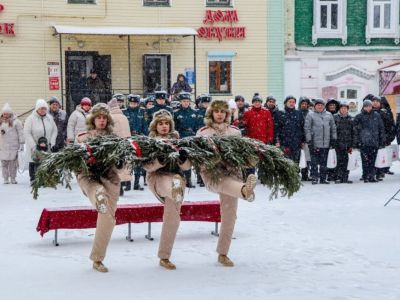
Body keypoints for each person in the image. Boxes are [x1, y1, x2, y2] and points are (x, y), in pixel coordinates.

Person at [196, 100, 257, 267]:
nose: (220, 114)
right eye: (216, 111)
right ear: (211, 114)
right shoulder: (203, 133)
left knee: (230, 216)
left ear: (227, 114)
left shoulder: (235, 133)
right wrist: (215, 159)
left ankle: (223, 253)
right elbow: (200, 158)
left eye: (223, 111)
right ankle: (245, 191)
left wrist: (252, 158)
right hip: (212, 174)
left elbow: (242, 157)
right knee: (226, 184)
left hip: (233, 174)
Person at [76, 103, 120, 273]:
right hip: (90, 178)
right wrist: (88, 163)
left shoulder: (114, 139)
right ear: (92, 119)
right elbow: (76, 163)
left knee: (108, 219)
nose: (101, 121)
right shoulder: (83, 137)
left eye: (104, 118)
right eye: (98, 118)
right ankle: (99, 196)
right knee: (99, 194)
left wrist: (119, 163)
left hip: (110, 180)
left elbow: (120, 167)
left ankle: (97, 259)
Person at [144, 110, 191, 270]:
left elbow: (187, 166)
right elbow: (147, 166)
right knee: (169, 183)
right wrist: (160, 160)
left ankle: (164, 257)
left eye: (166, 123)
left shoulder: (177, 141)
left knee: (173, 219)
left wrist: (184, 159)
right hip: (157, 177)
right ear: (155, 126)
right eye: (160, 123)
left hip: (177, 177)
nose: (164, 126)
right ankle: (174, 188)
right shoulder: (150, 142)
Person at [304, 98, 337, 185]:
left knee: (324, 162)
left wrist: (333, 139)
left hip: (326, 143)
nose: (320, 106)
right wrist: (309, 140)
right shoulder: (310, 115)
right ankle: (315, 177)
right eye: (318, 105)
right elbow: (307, 129)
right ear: (315, 106)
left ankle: (323, 178)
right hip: (314, 143)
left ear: (324, 106)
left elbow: (333, 128)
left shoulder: (329, 115)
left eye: (321, 105)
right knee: (314, 162)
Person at [24, 99, 57, 182]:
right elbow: (27, 133)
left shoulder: (49, 118)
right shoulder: (30, 119)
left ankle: (44, 178)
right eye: (41, 108)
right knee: (34, 161)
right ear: (37, 109)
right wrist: (34, 145)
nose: (43, 110)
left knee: (45, 161)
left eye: (44, 108)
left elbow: (54, 131)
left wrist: (52, 143)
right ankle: (34, 179)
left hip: (47, 146)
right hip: (34, 146)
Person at [353, 100, 385, 183]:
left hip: (374, 142)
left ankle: (372, 176)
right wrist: (357, 142)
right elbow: (355, 131)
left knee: (373, 160)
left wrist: (382, 140)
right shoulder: (359, 117)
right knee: (365, 160)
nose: (368, 108)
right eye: (366, 106)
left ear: (372, 107)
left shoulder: (377, 115)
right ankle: (365, 175)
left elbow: (381, 128)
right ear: (363, 107)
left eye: (369, 106)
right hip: (363, 142)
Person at [108, 99, 132, 196]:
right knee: (125, 164)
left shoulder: (111, 118)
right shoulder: (124, 117)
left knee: (117, 166)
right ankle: (127, 182)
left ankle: (120, 188)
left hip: (116, 144)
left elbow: (111, 133)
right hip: (125, 142)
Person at [173, 92, 198, 188]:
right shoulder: (176, 113)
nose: (186, 103)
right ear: (180, 102)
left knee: (189, 160)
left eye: (187, 101)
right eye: (184, 101)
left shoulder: (194, 113)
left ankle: (188, 180)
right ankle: (180, 180)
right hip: (181, 139)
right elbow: (174, 127)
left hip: (191, 139)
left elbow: (197, 126)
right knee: (181, 160)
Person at [123, 94, 146, 190]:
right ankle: (127, 183)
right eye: (132, 103)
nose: (133, 104)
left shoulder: (142, 112)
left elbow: (145, 125)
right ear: (129, 103)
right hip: (128, 138)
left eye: (135, 103)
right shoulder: (124, 112)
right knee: (128, 162)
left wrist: (144, 135)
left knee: (138, 161)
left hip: (139, 139)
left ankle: (136, 183)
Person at [275, 96, 304, 163]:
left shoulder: (299, 113)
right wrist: (277, 140)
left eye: (293, 102)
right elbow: (277, 129)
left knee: (296, 163)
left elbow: (302, 128)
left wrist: (302, 141)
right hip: (284, 143)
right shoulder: (280, 113)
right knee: (286, 164)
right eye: (290, 102)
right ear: (285, 103)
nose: (292, 103)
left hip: (296, 143)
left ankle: (296, 173)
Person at [0, 103, 24, 184]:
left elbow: (21, 132)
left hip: (13, 146)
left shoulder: (16, 122)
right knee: (4, 164)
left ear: (10, 113)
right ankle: (6, 178)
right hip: (3, 147)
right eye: (4, 113)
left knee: (13, 164)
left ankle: (13, 178)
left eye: (6, 113)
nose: (5, 114)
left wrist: (21, 143)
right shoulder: (0, 122)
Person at [333, 101, 354, 184]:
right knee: (338, 160)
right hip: (337, 143)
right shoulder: (335, 117)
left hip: (348, 143)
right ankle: (338, 177)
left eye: (345, 108)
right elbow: (332, 130)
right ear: (339, 109)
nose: (343, 110)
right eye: (342, 108)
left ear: (347, 109)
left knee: (346, 161)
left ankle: (345, 177)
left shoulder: (351, 118)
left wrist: (352, 144)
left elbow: (353, 132)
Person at [298, 96, 312, 181]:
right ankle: (296, 174)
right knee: (297, 158)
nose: (304, 105)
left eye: (305, 104)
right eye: (302, 103)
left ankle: (305, 174)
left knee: (307, 158)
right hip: (298, 139)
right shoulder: (297, 113)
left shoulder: (310, 113)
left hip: (307, 139)